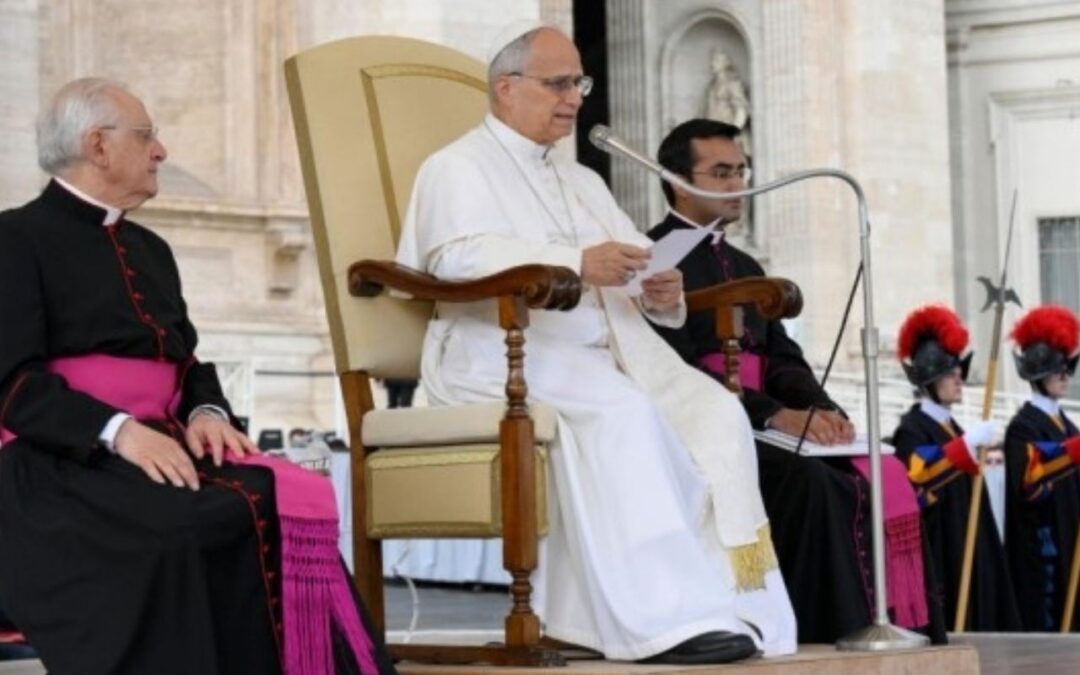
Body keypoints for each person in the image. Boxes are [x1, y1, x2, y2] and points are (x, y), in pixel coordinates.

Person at [394, 21, 796, 663]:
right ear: (506, 88)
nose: (576, 98)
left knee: (716, 413)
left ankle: (733, 604)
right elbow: (456, 262)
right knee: (626, 415)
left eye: (578, 83)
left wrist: (656, 291)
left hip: (600, 353)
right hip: (498, 351)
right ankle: (660, 621)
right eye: (558, 83)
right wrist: (577, 261)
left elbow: (625, 262)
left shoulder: (580, 179)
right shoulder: (455, 167)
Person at [0, 78, 395, 675]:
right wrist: (119, 431)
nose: (161, 151)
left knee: (283, 494)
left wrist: (207, 413)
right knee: (181, 524)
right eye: (147, 136)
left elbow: (188, 365)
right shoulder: (14, 238)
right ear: (98, 146)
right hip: (62, 456)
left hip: (164, 443)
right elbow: (12, 383)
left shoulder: (153, 249)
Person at [649, 118, 942, 643]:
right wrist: (773, 414)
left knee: (876, 470)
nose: (739, 184)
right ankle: (824, 632)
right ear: (676, 181)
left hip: (761, 414)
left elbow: (783, 357)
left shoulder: (742, 261)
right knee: (815, 484)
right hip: (703, 422)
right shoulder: (653, 257)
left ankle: (898, 627)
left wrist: (822, 409)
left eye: (740, 170)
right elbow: (674, 365)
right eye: (720, 173)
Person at [890, 305, 1022, 631]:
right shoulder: (912, 429)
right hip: (942, 549)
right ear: (930, 381)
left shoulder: (956, 428)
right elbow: (920, 476)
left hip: (969, 542)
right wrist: (964, 448)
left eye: (958, 371)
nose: (959, 378)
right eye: (950, 373)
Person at [1002, 305, 1080, 631]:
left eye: (1067, 368)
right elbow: (1031, 483)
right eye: (1057, 369)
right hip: (1043, 550)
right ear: (1039, 374)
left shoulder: (1069, 427)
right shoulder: (1023, 427)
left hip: (1071, 542)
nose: (1066, 376)